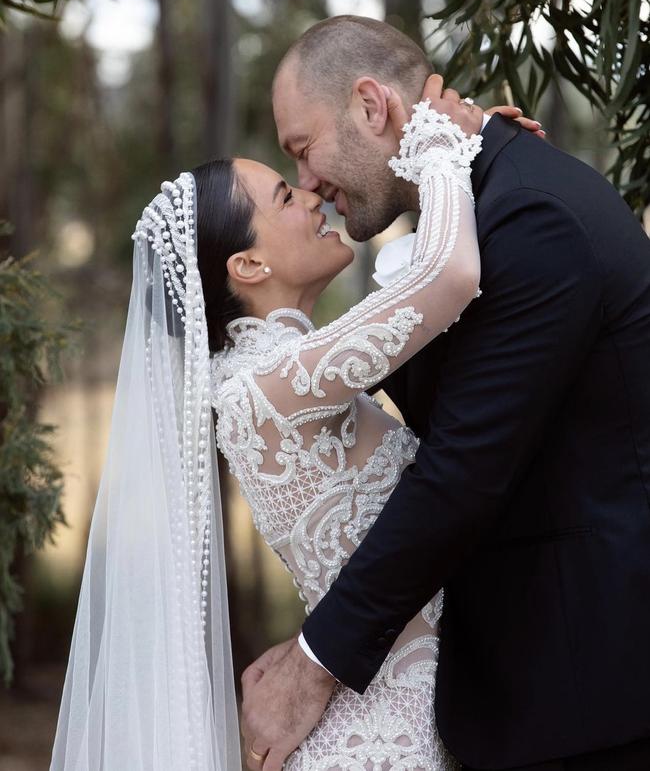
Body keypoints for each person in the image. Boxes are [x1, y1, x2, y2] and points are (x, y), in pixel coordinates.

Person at [49, 61, 527, 769]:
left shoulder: (275, 373)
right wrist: (441, 141)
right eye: (282, 194)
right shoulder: (266, 383)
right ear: (246, 266)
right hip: (388, 746)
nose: (309, 193)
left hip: (415, 718)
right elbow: (450, 276)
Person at [240, 15, 650, 771]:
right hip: (533, 697)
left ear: (372, 105)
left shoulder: (531, 216)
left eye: (304, 149)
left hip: (594, 694)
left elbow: (461, 472)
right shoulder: (485, 204)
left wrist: (312, 662)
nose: (306, 183)